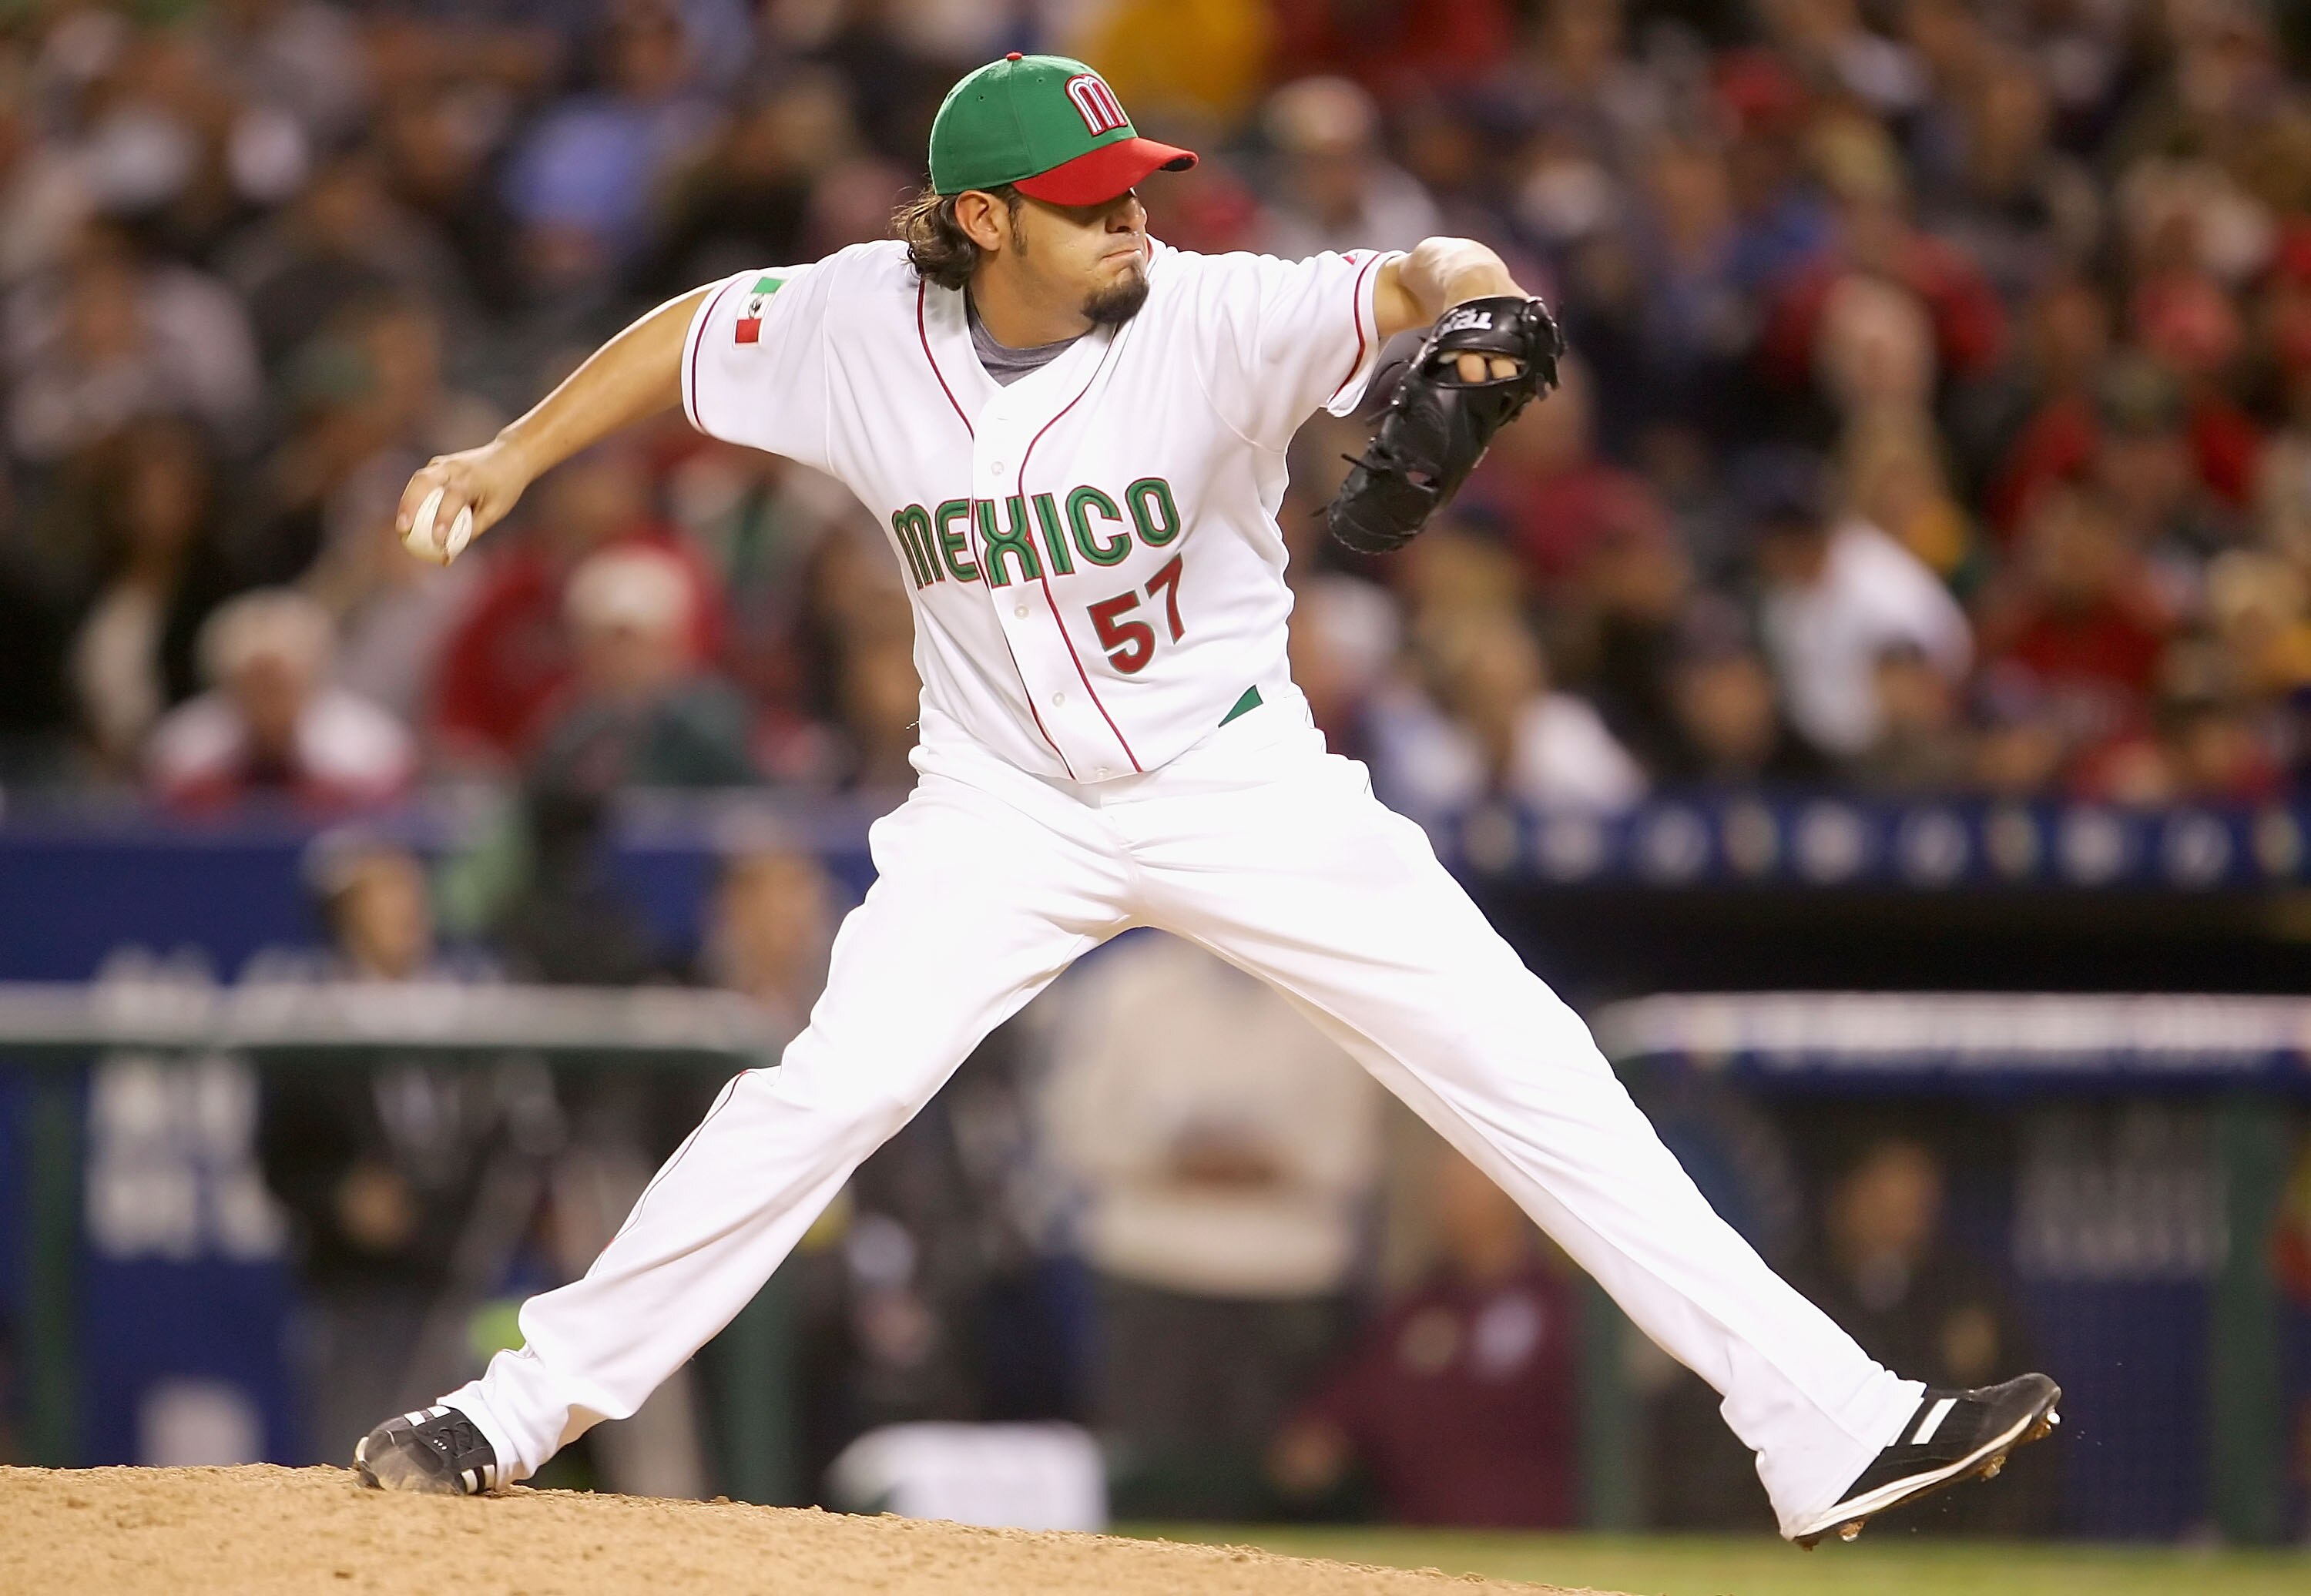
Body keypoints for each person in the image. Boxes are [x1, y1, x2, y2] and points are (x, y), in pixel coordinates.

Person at [355, 54, 2056, 1547]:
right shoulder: (862, 321)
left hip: (1237, 780)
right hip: (999, 809)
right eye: (1089, 203)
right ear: (980, 222)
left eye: (1137, 190)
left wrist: (1488, 305)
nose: (1133, 224)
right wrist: (511, 454)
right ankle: (514, 1414)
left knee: (1531, 1070)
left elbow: (1413, 277)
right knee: (823, 1094)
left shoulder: (1216, 316)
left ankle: (1830, 1425)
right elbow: (692, 328)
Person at [1038, 931, 1384, 1517]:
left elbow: (1351, 1154)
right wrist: (1186, 1158)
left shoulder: (1331, 995)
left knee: (1279, 1493)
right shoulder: (1127, 989)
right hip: (1154, 1275)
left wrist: (1245, 1161)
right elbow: (1077, 1134)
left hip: (1289, 1281)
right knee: (1151, 1483)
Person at [1268, 1145, 1581, 1528]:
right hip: (1419, 1542)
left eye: (1467, 1184)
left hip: (1541, 1540)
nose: (1448, 1201)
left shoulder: (1558, 1305)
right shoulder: (1417, 1308)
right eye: (1444, 1186)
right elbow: (1344, 1411)